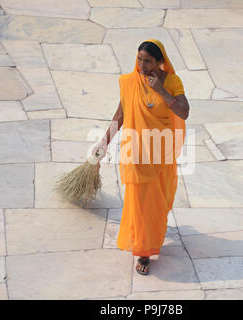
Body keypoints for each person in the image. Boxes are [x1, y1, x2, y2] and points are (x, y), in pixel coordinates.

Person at [92, 39, 189, 275]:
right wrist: (104, 142)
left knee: (157, 204)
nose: (142, 65)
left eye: (148, 60)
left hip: (161, 154)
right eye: (139, 59)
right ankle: (144, 251)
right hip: (135, 154)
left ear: (160, 62)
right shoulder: (129, 83)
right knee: (140, 204)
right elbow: (121, 114)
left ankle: (150, 239)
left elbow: (183, 112)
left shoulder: (172, 82)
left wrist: (161, 91)